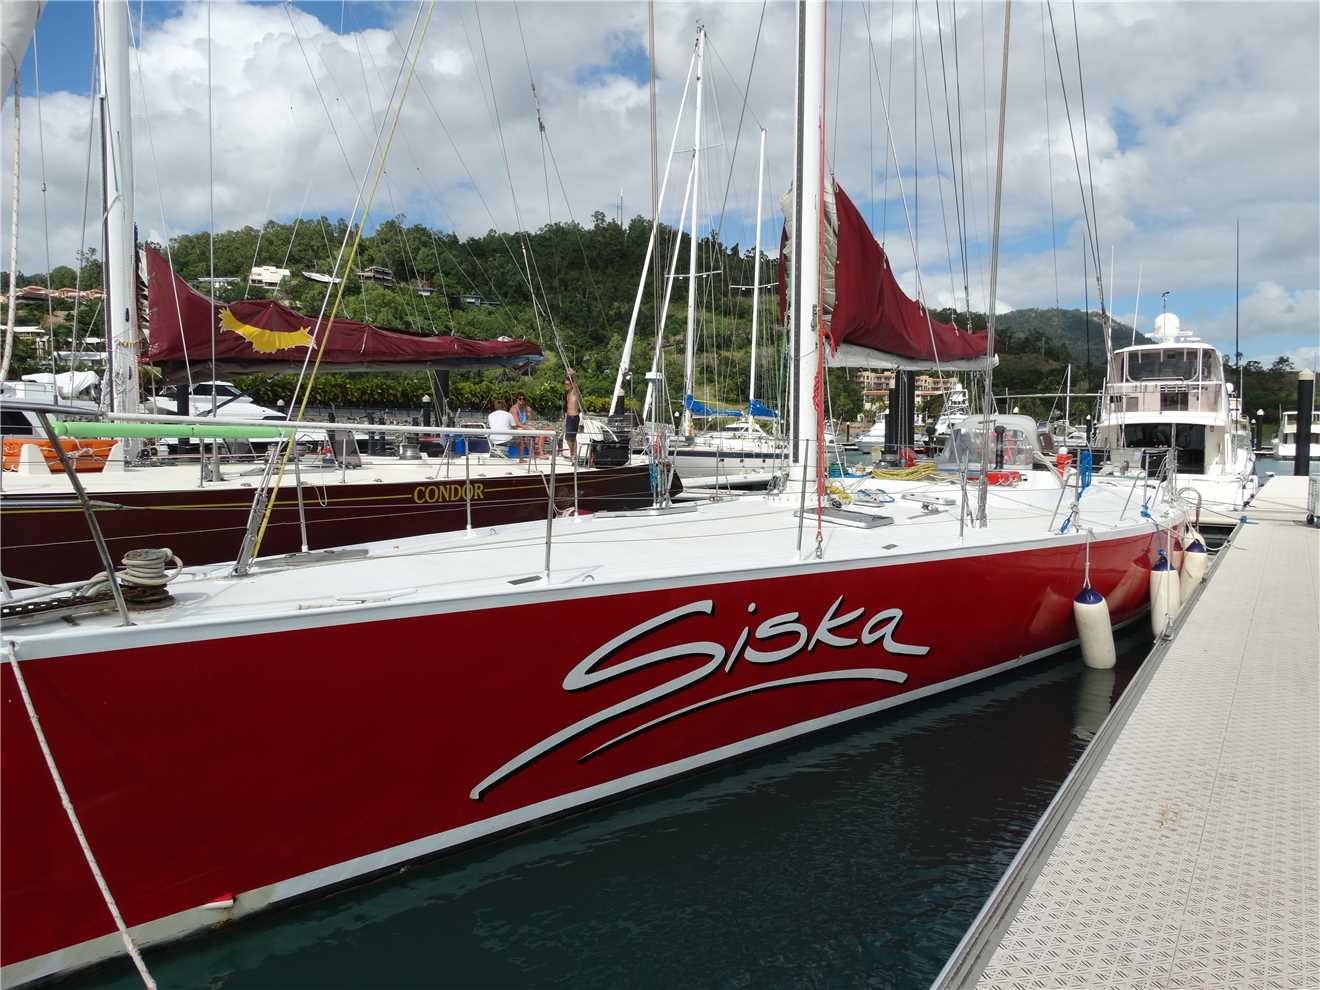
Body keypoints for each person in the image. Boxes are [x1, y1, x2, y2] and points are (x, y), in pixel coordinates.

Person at [511, 392, 535, 461]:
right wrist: (527, 427)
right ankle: (521, 459)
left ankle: (532, 455)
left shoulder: (526, 409)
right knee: (521, 437)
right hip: (514, 428)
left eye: (523, 399)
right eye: (520, 399)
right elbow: (517, 423)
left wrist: (530, 414)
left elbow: (530, 420)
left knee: (528, 436)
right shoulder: (514, 409)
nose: (522, 400)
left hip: (522, 428)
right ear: (517, 399)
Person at [564, 373, 582, 461]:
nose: (566, 386)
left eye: (568, 384)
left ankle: (573, 455)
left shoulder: (575, 392)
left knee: (570, 438)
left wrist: (573, 374)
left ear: (572, 384)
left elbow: (576, 384)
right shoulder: (568, 394)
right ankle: (573, 455)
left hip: (574, 417)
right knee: (570, 438)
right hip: (569, 417)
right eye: (565, 384)